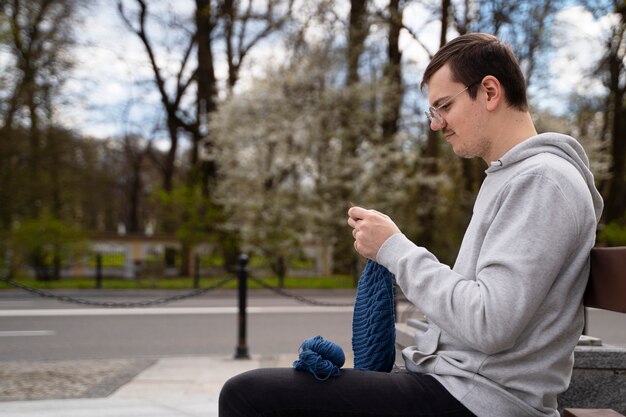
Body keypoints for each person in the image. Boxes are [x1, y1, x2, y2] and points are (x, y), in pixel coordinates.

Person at [219, 32, 603, 417]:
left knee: (247, 395)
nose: (437, 124)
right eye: (432, 112)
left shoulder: (542, 182)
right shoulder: (512, 178)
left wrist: (394, 250)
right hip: (459, 387)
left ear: (489, 92)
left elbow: (490, 322)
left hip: (479, 401)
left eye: (444, 106)